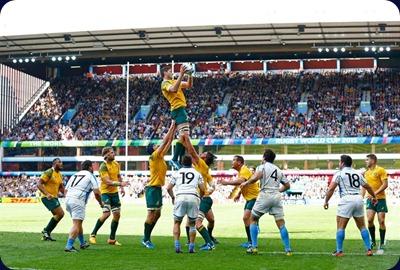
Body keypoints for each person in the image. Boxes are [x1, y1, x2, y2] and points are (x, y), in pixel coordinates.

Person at [240, 149, 292, 255]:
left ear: (264, 157)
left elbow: (255, 178)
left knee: (253, 219)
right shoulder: (278, 170)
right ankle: (288, 249)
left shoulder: (262, 167)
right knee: (281, 223)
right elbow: (287, 185)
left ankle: (254, 247)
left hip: (265, 195)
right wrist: (278, 190)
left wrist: (246, 183)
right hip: (276, 197)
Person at [324, 155, 377, 257]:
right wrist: (374, 197)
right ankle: (369, 249)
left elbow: (331, 189)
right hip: (358, 199)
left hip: (346, 199)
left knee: (340, 226)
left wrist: (326, 201)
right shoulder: (358, 174)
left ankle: (339, 251)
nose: (339, 164)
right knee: (362, 226)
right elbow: (368, 186)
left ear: (342, 163)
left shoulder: (339, 174)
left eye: (339, 162)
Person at [142, 120, 176, 249]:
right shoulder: (154, 156)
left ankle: (147, 236)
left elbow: (169, 141)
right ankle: (146, 239)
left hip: (157, 188)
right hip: (152, 188)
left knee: (158, 214)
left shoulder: (160, 156)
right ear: (153, 150)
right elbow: (164, 141)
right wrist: (172, 126)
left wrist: (175, 128)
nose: (158, 146)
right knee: (151, 214)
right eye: (156, 145)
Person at [181, 136, 218, 251]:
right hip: (203, 197)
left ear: (205, 157)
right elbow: (212, 183)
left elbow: (191, 151)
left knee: (195, 222)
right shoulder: (203, 168)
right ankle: (204, 239)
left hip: (201, 198)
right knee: (210, 220)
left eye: (204, 153)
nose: (201, 153)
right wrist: (211, 189)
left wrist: (186, 139)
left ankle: (209, 243)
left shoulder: (201, 163)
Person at [89, 147, 129, 246]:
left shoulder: (116, 164)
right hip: (105, 192)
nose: (114, 154)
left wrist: (122, 188)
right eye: (111, 153)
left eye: (113, 152)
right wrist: (121, 184)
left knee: (117, 215)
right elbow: (107, 181)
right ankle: (93, 234)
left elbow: (118, 176)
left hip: (114, 193)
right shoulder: (103, 166)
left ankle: (112, 239)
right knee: (106, 214)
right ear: (106, 155)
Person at [166, 155, 206, 253]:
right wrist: (199, 197)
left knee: (177, 222)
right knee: (192, 224)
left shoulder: (177, 173)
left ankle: (177, 245)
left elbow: (168, 188)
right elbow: (203, 189)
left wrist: (172, 197)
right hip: (193, 196)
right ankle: (191, 247)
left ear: (182, 163)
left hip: (180, 197)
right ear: (191, 162)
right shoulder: (197, 173)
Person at [220, 155, 259, 248]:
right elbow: (244, 184)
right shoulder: (241, 171)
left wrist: (226, 183)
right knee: (247, 219)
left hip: (254, 197)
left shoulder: (244, 170)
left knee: (247, 218)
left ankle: (252, 242)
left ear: (239, 162)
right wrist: (239, 194)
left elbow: (241, 181)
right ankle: (250, 241)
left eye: (234, 160)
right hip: (250, 198)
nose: (232, 162)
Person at [64, 160, 103, 252]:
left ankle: (82, 243)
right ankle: (69, 246)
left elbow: (65, 190)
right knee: (76, 224)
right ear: (90, 167)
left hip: (68, 199)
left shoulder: (75, 175)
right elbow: (97, 192)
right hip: (78, 200)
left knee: (78, 223)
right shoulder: (90, 175)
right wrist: (101, 203)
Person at [160, 65, 193, 169]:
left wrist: (190, 75)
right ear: (165, 73)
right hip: (177, 109)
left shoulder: (174, 81)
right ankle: (174, 159)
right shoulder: (165, 83)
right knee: (185, 135)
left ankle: (178, 160)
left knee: (184, 136)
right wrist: (182, 74)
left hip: (180, 109)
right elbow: (173, 89)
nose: (172, 73)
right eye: (170, 71)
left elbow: (188, 85)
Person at [361, 154, 388, 253]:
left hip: (380, 199)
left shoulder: (381, 170)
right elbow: (364, 187)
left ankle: (381, 242)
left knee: (381, 221)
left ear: (373, 160)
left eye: (367, 160)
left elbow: (385, 184)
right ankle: (373, 241)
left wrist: (374, 193)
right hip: (370, 200)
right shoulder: (365, 173)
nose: (366, 161)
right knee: (369, 220)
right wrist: (361, 197)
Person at [37, 158, 65, 241]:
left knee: (58, 215)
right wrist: (47, 194)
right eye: (59, 162)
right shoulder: (49, 172)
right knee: (60, 214)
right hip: (47, 197)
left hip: (54, 197)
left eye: (61, 162)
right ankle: (46, 231)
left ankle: (46, 234)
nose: (61, 163)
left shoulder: (59, 174)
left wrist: (66, 194)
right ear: (54, 164)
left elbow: (61, 187)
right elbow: (39, 183)